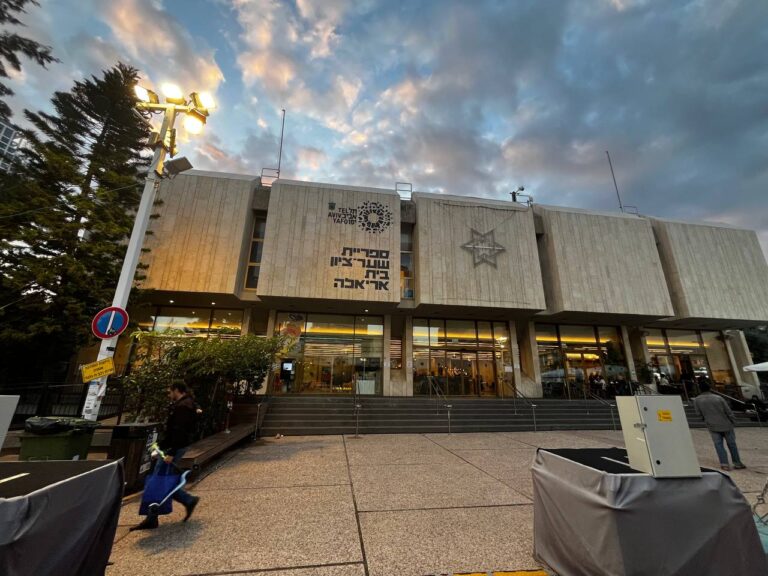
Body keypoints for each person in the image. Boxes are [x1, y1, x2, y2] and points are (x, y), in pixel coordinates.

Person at [131, 380, 201, 530]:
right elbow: (175, 430)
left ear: (176, 390)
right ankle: (188, 500)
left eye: (170, 392)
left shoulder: (183, 407)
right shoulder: (188, 404)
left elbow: (179, 430)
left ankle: (152, 516)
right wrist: (162, 447)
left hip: (174, 447)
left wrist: (171, 452)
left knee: (157, 481)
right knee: (162, 480)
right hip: (173, 446)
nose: (169, 395)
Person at [693, 380, 746, 471]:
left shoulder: (697, 400)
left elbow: (698, 414)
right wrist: (733, 420)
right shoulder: (718, 398)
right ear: (710, 387)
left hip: (712, 425)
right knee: (732, 444)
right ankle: (737, 462)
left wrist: (705, 419)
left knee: (718, 445)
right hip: (726, 424)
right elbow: (728, 411)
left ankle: (724, 463)